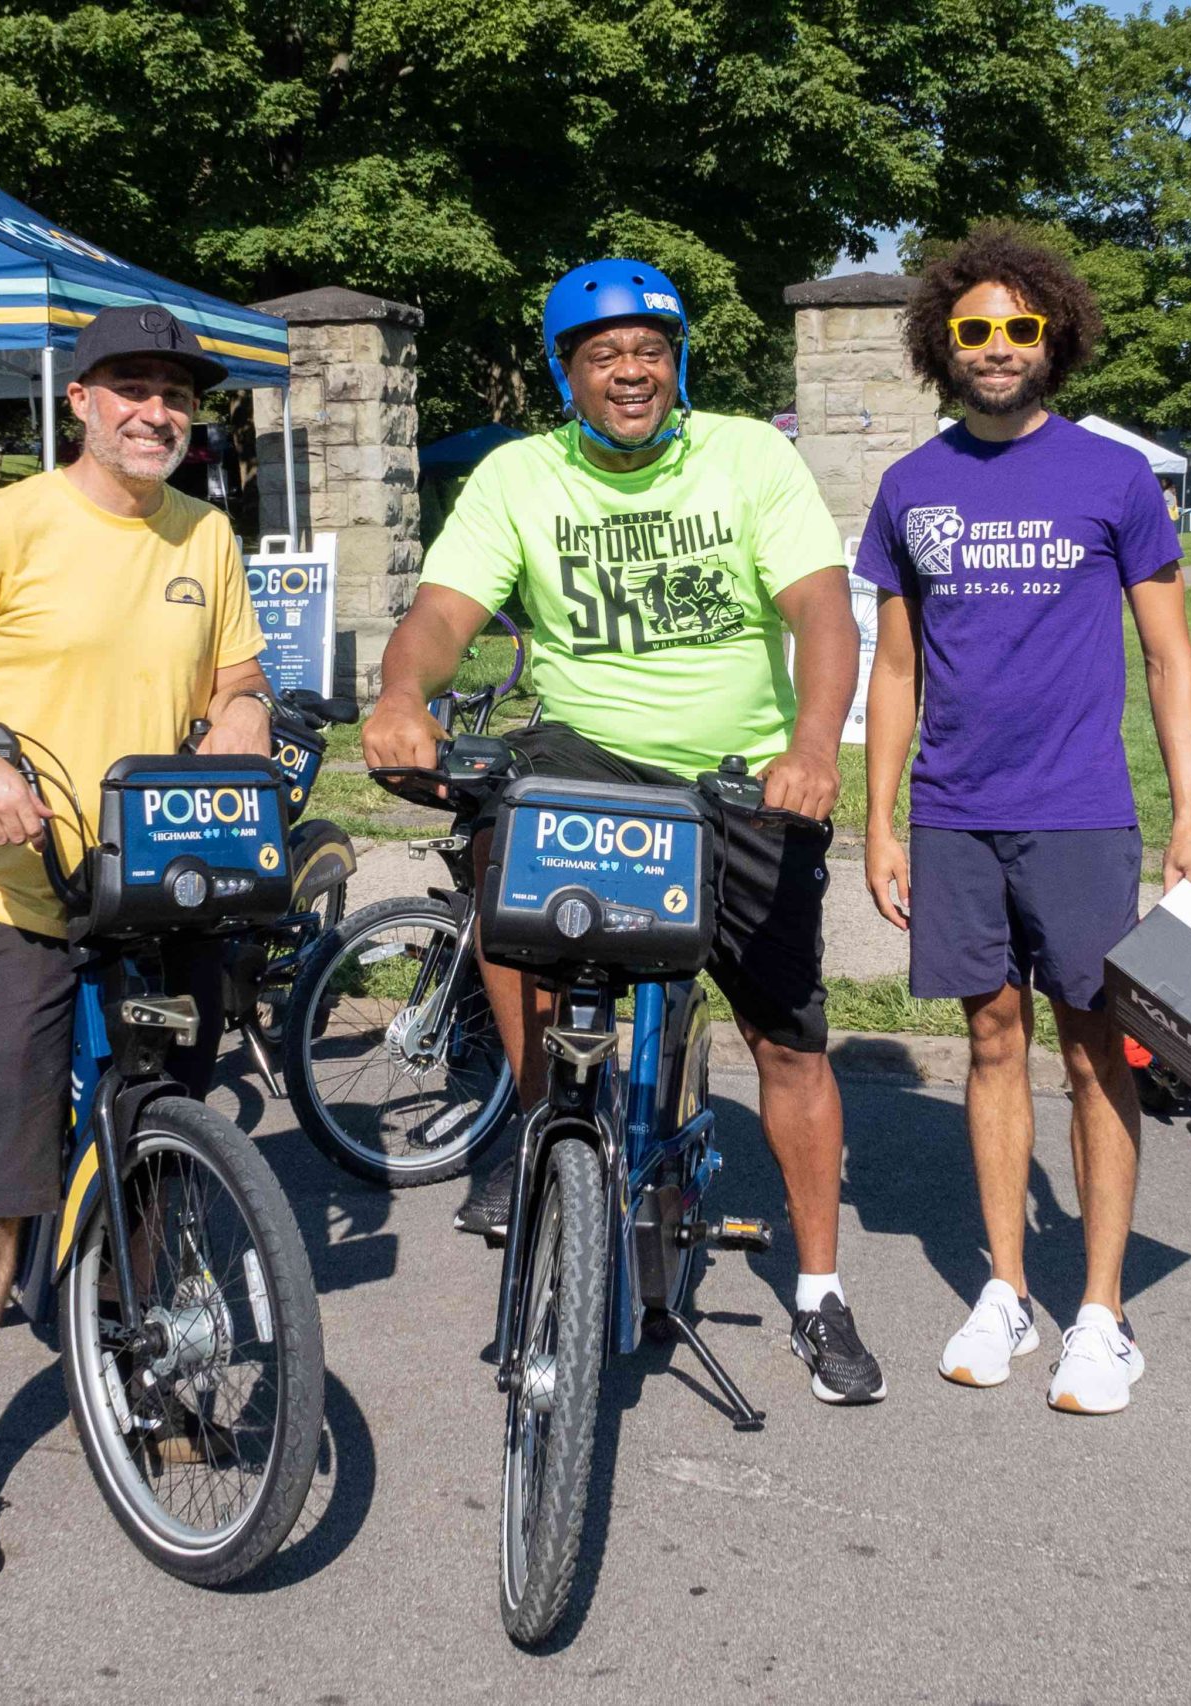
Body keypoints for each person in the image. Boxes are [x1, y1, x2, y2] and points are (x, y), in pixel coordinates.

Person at [360, 259, 886, 1407]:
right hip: (589, 755)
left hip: (743, 775)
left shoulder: (748, 454)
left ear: (677, 359)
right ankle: (549, 1115)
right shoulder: (519, 476)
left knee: (788, 1038)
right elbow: (443, 611)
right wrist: (404, 692)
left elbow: (814, 603)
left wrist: (811, 746)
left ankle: (818, 1289)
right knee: (505, 873)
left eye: (649, 347)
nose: (630, 368)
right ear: (568, 373)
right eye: (603, 353)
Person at [0, 304, 277, 1584]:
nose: (156, 411)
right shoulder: (9, 523)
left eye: (175, 395)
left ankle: (143, 1351)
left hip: (166, 891)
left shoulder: (208, 532)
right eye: (131, 389)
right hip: (26, 897)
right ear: (80, 400)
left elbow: (235, 681)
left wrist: (242, 719)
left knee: (157, 1144)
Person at [855, 228, 1191, 1417]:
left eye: (1019, 326)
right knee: (991, 1040)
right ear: (940, 344)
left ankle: (1103, 1313)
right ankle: (1007, 1287)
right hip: (956, 815)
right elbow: (896, 671)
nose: (998, 346)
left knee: (1092, 1046)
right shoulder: (911, 485)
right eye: (974, 328)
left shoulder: (1112, 477)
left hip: (1078, 815)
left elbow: (1170, 661)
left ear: (1052, 334)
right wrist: (882, 820)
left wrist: (1188, 825)